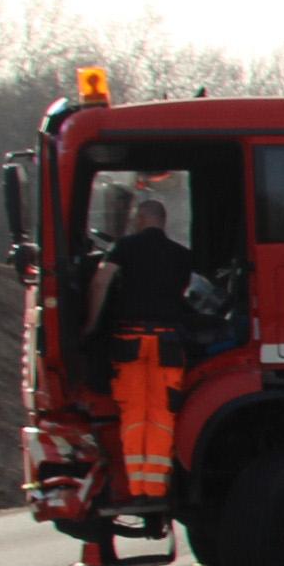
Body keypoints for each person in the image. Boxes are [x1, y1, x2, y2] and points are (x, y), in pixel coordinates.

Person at [86, 194, 195, 499]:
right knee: (161, 414)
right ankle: (156, 487)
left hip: (130, 343)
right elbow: (186, 295)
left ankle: (136, 488)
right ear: (163, 222)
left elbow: (100, 282)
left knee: (135, 414)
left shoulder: (124, 248)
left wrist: (92, 324)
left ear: (140, 219)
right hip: (168, 344)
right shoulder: (181, 255)